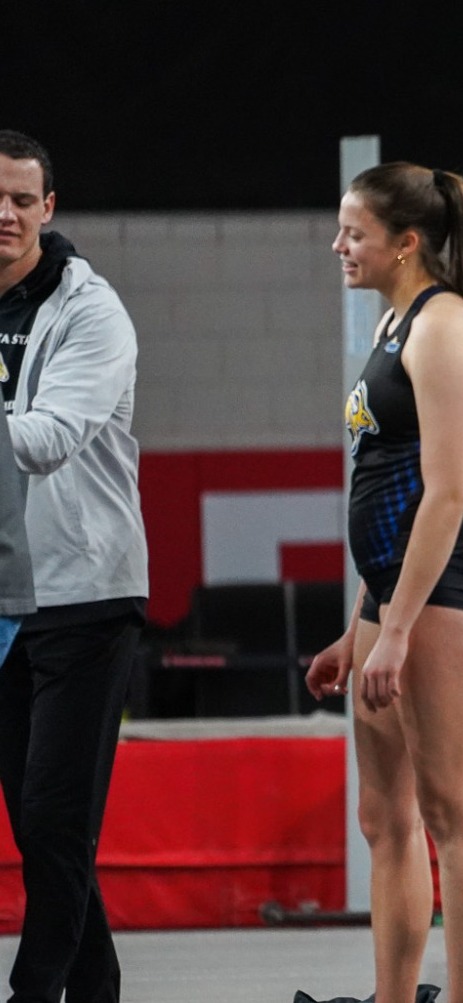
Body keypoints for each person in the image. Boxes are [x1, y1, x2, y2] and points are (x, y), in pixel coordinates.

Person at [304, 162, 463, 1003]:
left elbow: (446, 491)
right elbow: (383, 491)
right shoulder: (394, 323)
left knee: (451, 813)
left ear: (406, 242)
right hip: (389, 595)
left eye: (354, 233)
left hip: (441, 589)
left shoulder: (443, 328)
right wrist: (360, 620)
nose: (339, 245)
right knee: (383, 819)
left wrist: (395, 628)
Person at [0, 129, 146, 1003]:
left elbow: (50, 438)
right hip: (5, 597)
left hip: (86, 597)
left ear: (48, 209)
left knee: (56, 821)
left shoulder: (91, 311)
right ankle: (96, 991)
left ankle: (33, 994)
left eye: (22, 199)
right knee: (38, 826)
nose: (5, 214)